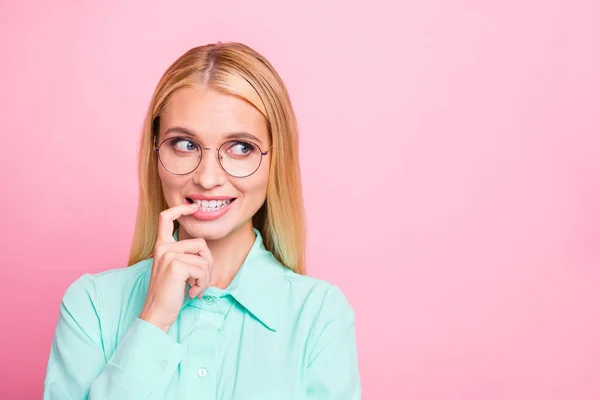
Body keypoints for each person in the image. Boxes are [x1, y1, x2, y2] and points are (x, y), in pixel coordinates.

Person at [43, 42, 361, 399]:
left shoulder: (319, 316)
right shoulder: (92, 305)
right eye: (185, 144)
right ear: (155, 154)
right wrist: (153, 322)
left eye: (241, 147)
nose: (208, 178)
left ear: (276, 161)